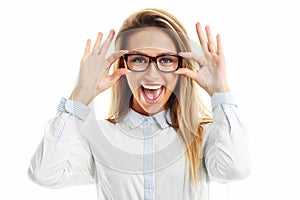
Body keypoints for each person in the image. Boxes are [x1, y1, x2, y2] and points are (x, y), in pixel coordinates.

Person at [28, 8, 251, 200]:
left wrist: (220, 92)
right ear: (122, 66)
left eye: (165, 60)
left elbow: (235, 170)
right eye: (138, 59)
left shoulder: (204, 134)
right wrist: (81, 94)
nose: (152, 74)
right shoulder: (99, 136)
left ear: (181, 67)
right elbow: (45, 174)